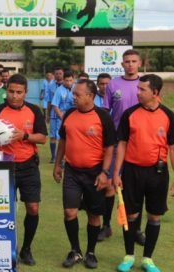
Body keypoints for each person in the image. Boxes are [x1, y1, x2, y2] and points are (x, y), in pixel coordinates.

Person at [114, 74, 174, 272]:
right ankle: (128, 256)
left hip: (157, 173)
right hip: (132, 171)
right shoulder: (130, 114)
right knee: (132, 215)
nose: (138, 93)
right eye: (138, 88)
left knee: (154, 216)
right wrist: (117, 172)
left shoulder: (169, 116)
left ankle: (148, 259)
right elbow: (122, 144)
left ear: (155, 92)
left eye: (142, 89)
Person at [0, 74, 47, 266]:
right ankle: (3, 249)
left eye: (19, 92)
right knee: (3, 211)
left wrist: (24, 136)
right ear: (6, 91)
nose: (14, 96)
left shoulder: (34, 110)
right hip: (4, 166)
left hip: (28, 165)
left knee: (33, 207)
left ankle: (26, 249)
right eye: (11, 91)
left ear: (25, 93)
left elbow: (43, 138)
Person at [53, 79, 116, 269]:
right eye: (73, 94)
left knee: (93, 215)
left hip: (95, 173)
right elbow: (63, 141)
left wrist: (105, 172)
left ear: (90, 96)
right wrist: (58, 164)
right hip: (72, 171)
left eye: (77, 94)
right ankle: (75, 251)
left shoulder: (103, 117)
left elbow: (110, 148)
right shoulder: (69, 114)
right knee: (69, 212)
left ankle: (90, 252)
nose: (73, 97)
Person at [102, 49, 146, 245]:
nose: (130, 64)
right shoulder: (113, 84)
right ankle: (106, 225)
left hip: (139, 143)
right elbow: (105, 112)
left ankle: (136, 230)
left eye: (133, 61)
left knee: (137, 187)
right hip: (117, 142)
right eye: (126, 61)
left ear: (140, 63)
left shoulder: (145, 85)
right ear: (122, 64)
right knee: (110, 185)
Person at [46, 67, 64, 163]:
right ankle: (53, 157)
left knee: (62, 137)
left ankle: (61, 158)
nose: (58, 75)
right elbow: (49, 100)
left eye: (60, 73)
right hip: (53, 115)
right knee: (52, 136)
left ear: (63, 74)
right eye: (56, 73)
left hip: (63, 115)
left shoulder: (67, 85)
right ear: (54, 74)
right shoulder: (51, 85)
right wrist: (48, 114)